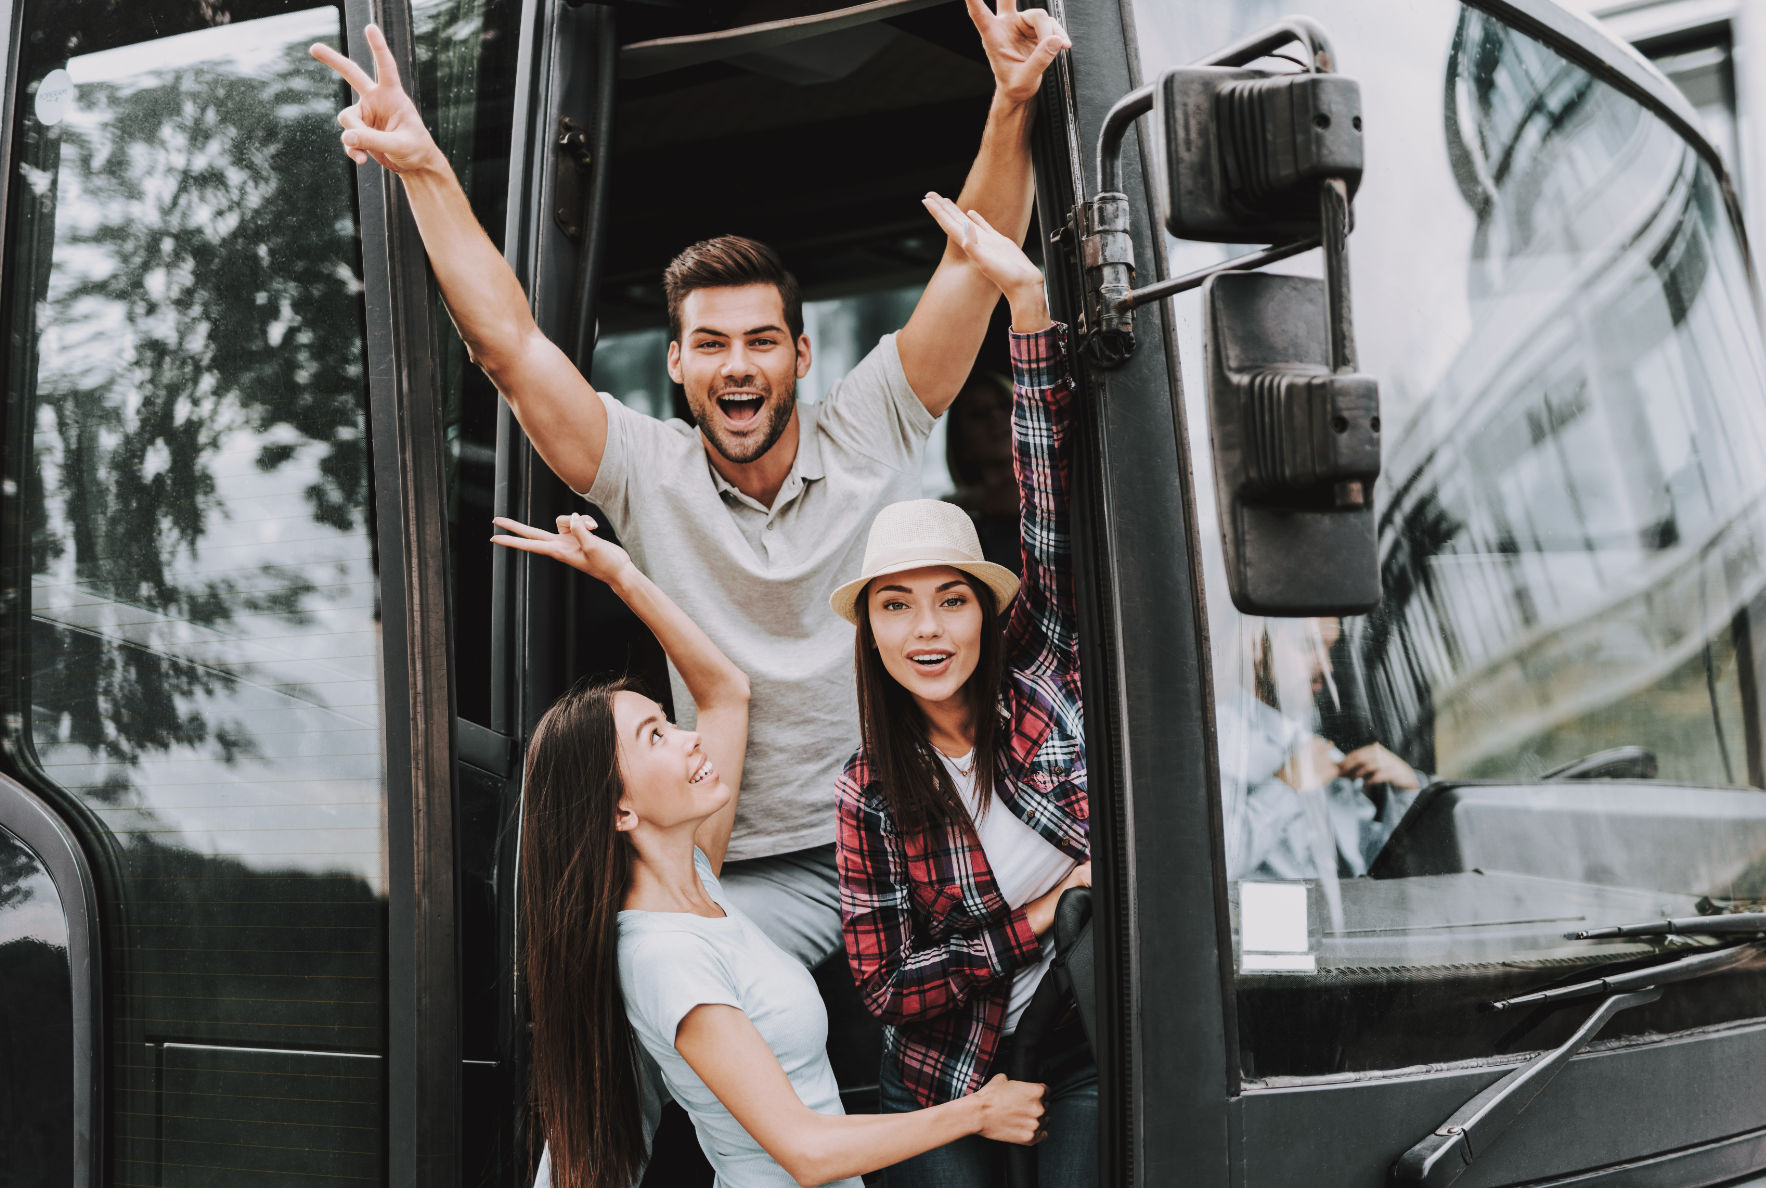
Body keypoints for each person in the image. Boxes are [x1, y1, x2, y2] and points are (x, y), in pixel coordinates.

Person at [311, 4, 1072, 969]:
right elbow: (509, 349)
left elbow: (978, 263)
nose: (737, 366)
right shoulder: (644, 467)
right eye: (710, 345)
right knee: (647, 981)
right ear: (677, 365)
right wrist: (425, 168)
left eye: (761, 341)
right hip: (748, 871)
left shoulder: (875, 419)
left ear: (800, 354)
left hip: (905, 844)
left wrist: (1013, 101)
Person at [494, 509, 1049, 1188]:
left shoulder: (696, 877)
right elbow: (805, 1151)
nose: (688, 737)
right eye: (656, 738)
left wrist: (621, 573)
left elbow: (724, 692)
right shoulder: (665, 958)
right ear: (620, 808)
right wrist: (976, 1112)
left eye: (668, 723)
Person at [831, 195, 1093, 1188]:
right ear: (872, 633)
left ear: (987, 614)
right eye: (896, 608)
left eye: (950, 601)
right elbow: (889, 984)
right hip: (940, 1078)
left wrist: (1026, 301)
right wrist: (1036, 920)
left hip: (1077, 1039)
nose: (927, 629)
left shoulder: (1041, 674)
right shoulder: (866, 789)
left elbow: (1046, 490)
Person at [1219, 618, 1428, 880]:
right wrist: (1286, 787)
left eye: (1329, 649)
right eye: (1308, 646)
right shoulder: (1211, 741)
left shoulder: (1326, 756)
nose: (1327, 667)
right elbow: (1206, 872)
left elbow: (1371, 870)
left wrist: (1407, 792)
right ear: (1255, 644)